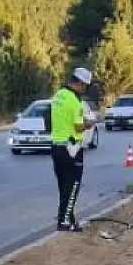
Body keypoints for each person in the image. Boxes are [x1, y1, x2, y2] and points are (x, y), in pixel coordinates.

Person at [50, 68, 94, 232]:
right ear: (81, 83)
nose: (85, 90)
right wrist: (89, 124)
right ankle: (64, 222)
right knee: (73, 186)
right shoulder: (75, 101)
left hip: (56, 146)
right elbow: (78, 126)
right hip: (72, 148)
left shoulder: (58, 95)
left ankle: (69, 219)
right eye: (85, 86)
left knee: (64, 187)